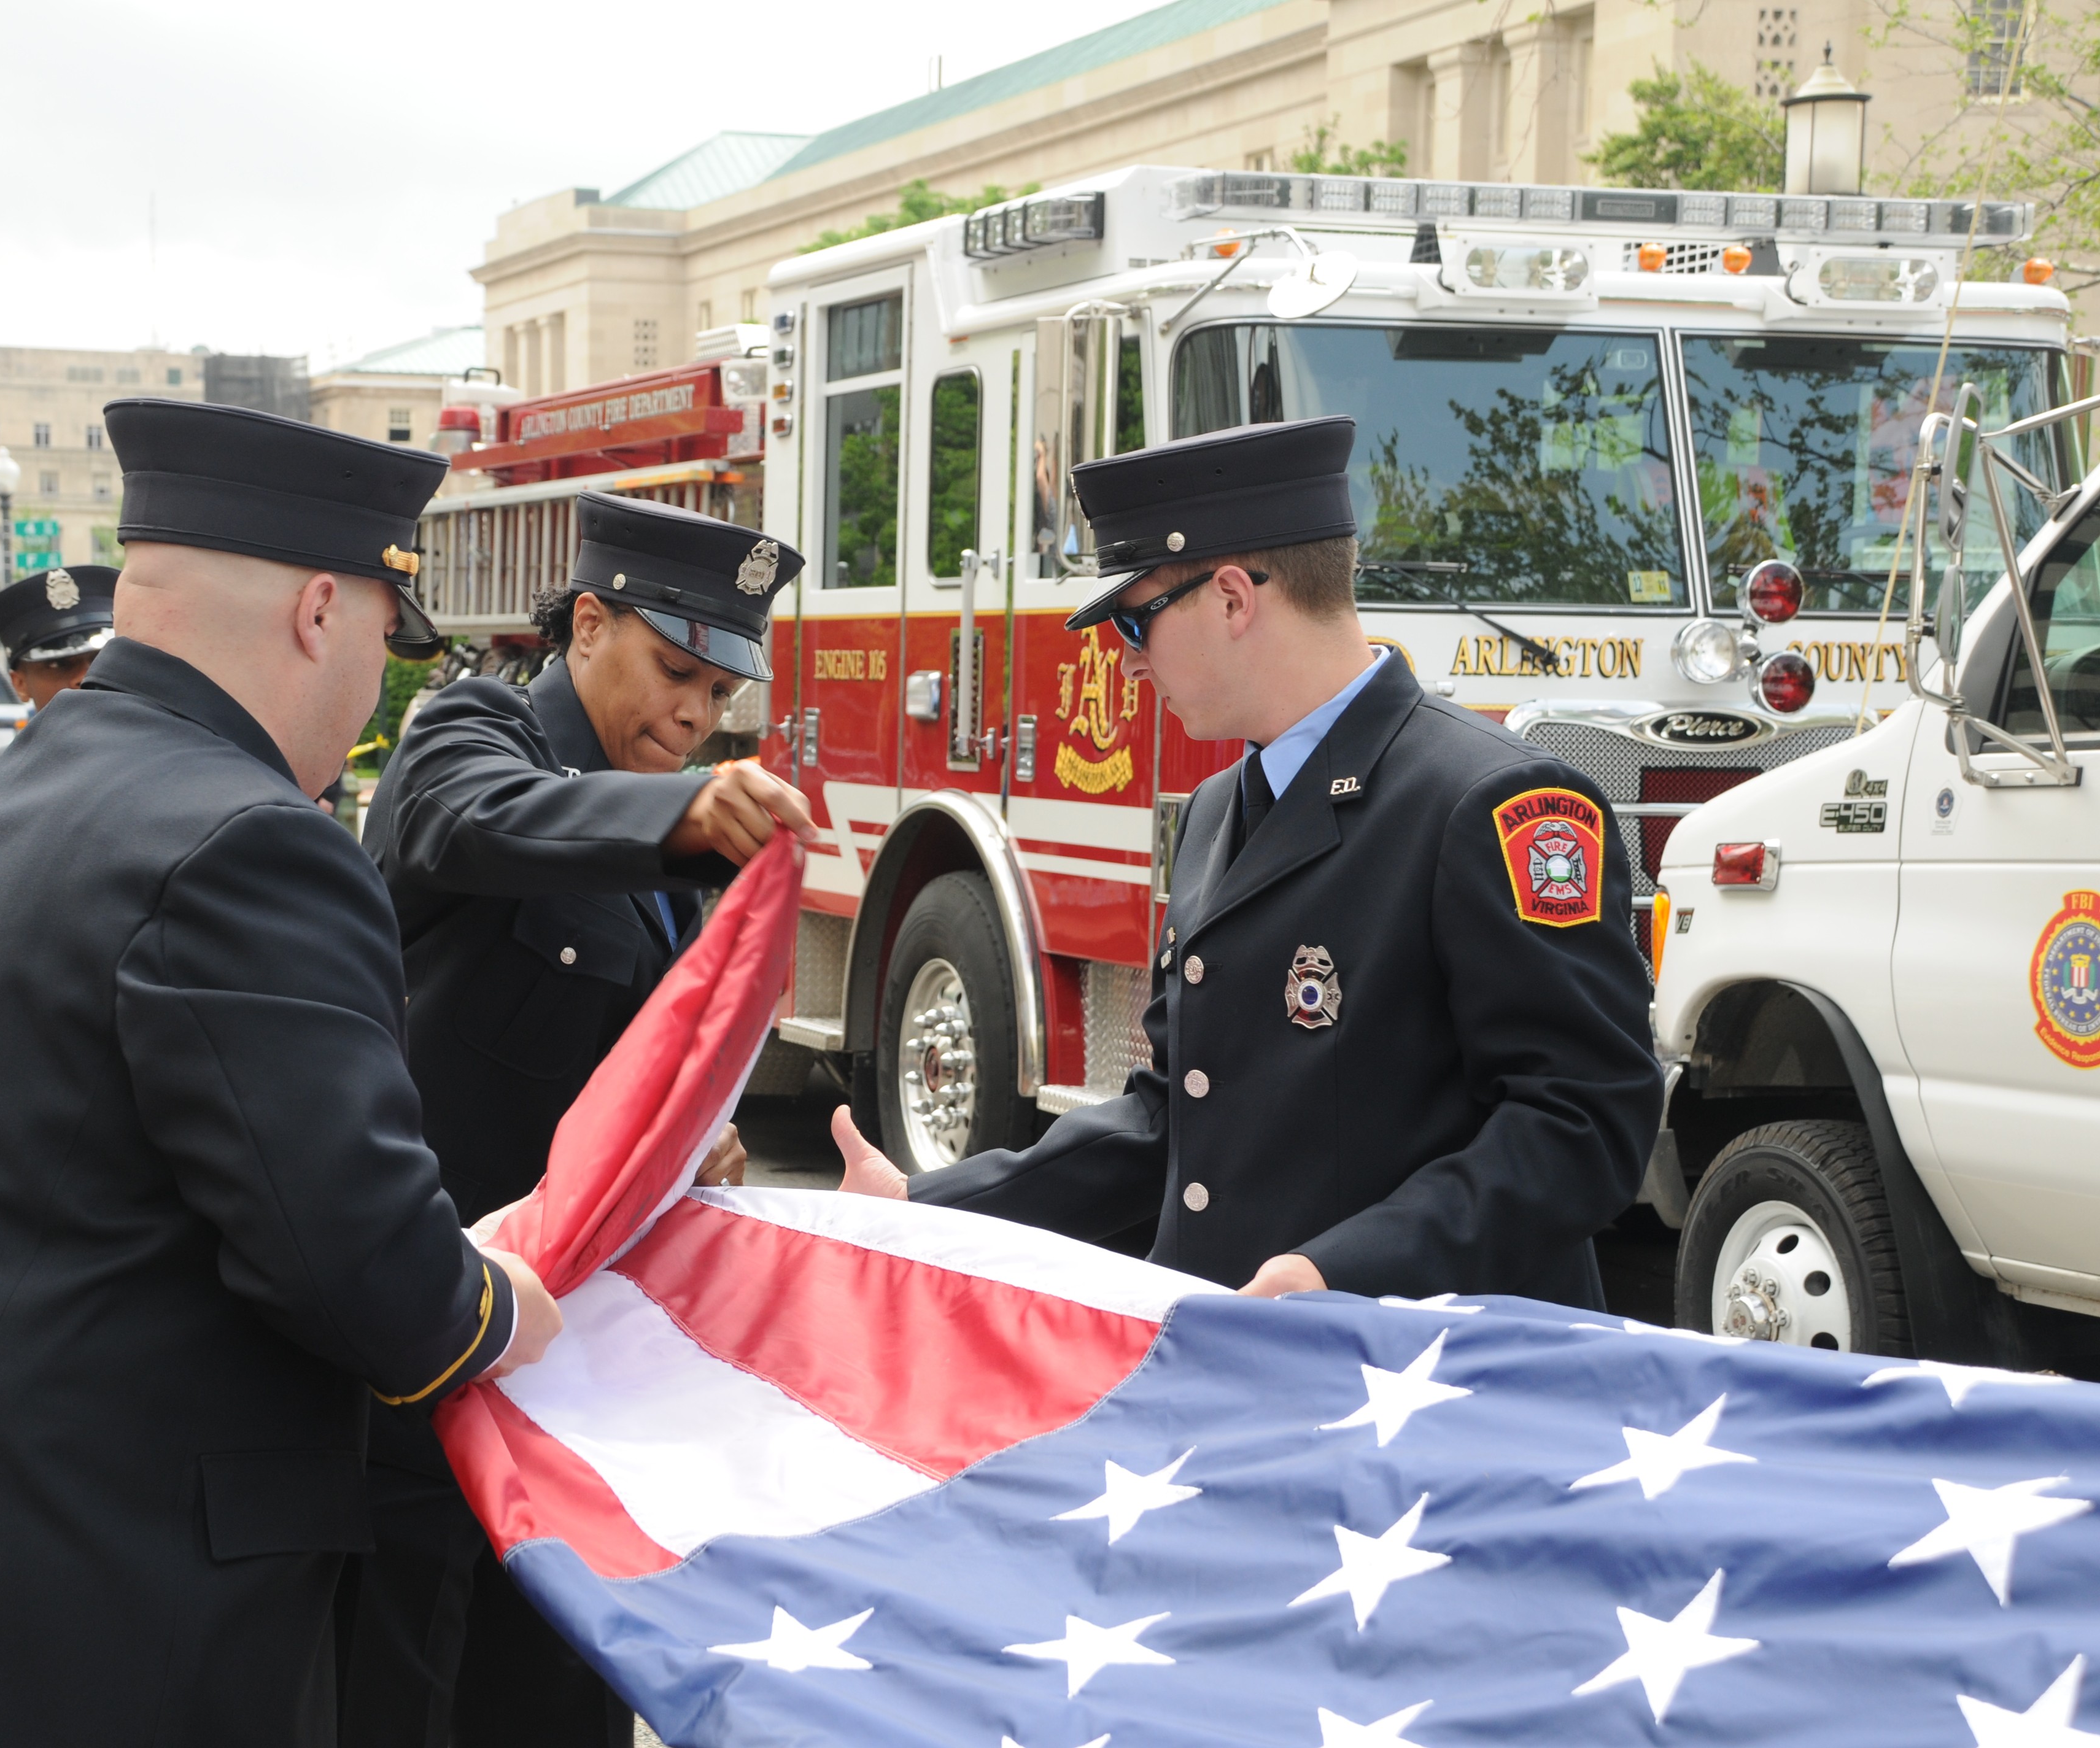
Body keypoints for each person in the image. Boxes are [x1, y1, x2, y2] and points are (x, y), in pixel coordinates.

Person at [0, 398, 563, 1748]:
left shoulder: (7, 796)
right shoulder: (252, 844)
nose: (376, 692)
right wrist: (498, 1298)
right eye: (386, 651)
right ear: (319, 614)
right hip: (74, 1621)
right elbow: (375, 1285)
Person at [836, 416, 1661, 1308]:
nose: (1131, 661)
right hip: (1240, 1366)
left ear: (1232, 598)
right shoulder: (1218, 810)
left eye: (1135, 622)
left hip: (1423, 1382)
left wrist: (1345, 1269)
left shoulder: (1492, 802)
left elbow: (1584, 1119)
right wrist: (924, 1206)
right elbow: (1173, 1119)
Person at [348, 494, 815, 1748]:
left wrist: (687, 1138)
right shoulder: (472, 727)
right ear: (588, 622)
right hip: (431, 1350)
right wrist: (670, 817)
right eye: (672, 671)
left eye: (720, 696)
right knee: (416, 1691)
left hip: (585, 1366)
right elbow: (460, 816)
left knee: (558, 1696)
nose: (693, 716)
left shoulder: (671, 815)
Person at [0, 563, 116, 811]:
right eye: (59, 665)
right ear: (19, 684)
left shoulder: (169, 759)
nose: (84, 677)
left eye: (99, 659)